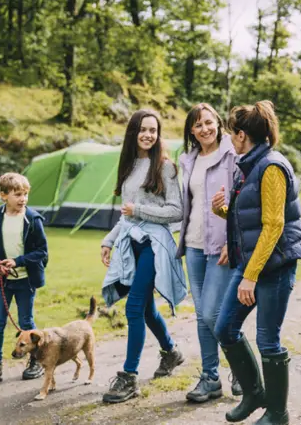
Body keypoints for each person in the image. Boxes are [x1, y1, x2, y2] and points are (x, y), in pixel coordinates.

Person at [212, 101, 301, 424]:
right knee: (225, 328)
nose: (229, 140)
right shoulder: (250, 164)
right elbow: (250, 219)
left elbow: (274, 225)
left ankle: (278, 414)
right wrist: (222, 211)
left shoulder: (270, 167)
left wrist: (250, 276)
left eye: (230, 134)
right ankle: (254, 394)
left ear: (241, 135)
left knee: (268, 339)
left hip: (275, 267)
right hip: (252, 264)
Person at [100, 109, 187, 404]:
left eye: (154, 130)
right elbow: (126, 215)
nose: (149, 135)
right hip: (131, 243)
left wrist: (140, 210)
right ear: (133, 132)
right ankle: (171, 352)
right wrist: (109, 240)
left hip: (154, 245)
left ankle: (129, 377)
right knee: (147, 309)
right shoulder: (128, 166)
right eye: (143, 129)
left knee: (134, 307)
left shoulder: (165, 167)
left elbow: (176, 211)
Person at [176, 103, 241, 402]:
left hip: (221, 247)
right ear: (191, 130)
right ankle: (210, 378)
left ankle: (242, 370)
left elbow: (242, 203)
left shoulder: (233, 155)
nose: (205, 129)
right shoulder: (187, 160)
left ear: (218, 123)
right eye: (198, 125)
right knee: (202, 316)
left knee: (215, 314)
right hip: (193, 245)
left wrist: (232, 239)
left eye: (209, 122)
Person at [0, 172, 49, 389]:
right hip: (3, 282)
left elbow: (42, 252)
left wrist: (18, 261)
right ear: (3, 196)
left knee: (27, 322)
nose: (23, 199)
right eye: (18, 194)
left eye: (25, 194)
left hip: (26, 282)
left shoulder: (33, 220)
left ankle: (35, 361)